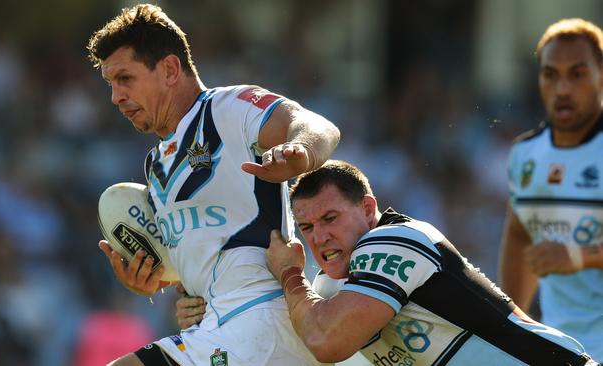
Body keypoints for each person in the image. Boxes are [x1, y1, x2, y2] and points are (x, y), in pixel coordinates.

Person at [86, 4, 340, 365]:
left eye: (125, 79)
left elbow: (316, 124)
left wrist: (300, 150)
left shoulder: (226, 109)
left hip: (263, 320)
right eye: (111, 84)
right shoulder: (156, 164)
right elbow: (197, 260)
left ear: (170, 69)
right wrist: (151, 281)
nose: (116, 97)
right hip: (221, 329)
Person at [262, 160, 598, 365]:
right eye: (306, 227)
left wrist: (290, 273)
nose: (319, 237)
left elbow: (326, 341)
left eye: (330, 218)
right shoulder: (329, 289)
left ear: (367, 209)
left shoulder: (395, 240)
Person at [497, 18, 603, 362]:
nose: (562, 88)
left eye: (577, 73)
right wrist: (509, 328)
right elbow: (519, 234)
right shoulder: (525, 153)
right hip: (563, 348)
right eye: (551, 74)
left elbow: (566, 254)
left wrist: (578, 256)